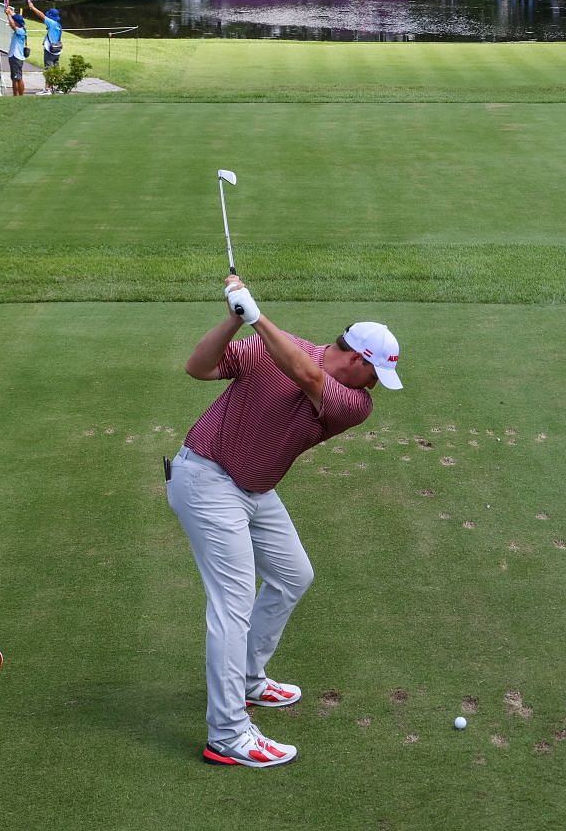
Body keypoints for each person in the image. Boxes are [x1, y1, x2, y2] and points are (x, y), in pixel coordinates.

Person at [168, 273, 405, 769]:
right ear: (358, 360)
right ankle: (228, 735)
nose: (375, 388)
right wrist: (232, 320)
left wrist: (256, 317)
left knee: (294, 575)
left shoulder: (353, 404)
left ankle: (250, 681)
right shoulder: (269, 347)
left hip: (253, 488)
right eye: (374, 373)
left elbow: (309, 377)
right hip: (206, 479)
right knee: (231, 607)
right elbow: (198, 367)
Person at [42, 6, 64, 85]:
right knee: (56, 69)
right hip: (57, 50)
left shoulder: (52, 23)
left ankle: (48, 89)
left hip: (50, 50)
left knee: (49, 70)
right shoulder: (58, 25)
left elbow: (41, 16)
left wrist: (33, 7)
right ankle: (60, 86)